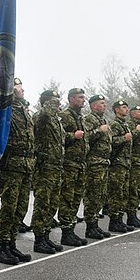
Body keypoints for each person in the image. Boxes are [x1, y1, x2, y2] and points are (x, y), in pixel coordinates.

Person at [0, 78, 35, 265]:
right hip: (11, 166)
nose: (22, 89)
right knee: (8, 208)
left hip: (25, 165)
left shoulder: (22, 110)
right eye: (18, 86)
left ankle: (11, 244)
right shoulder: (5, 109)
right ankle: (2, 248)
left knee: (20, 208)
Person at [30, 89, 65, 254]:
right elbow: (44, 115)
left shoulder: (56, 120)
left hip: (55, 167)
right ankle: (39, 240)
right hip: (44, 168)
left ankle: (46, 236)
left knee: (52, 204)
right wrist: (50, 101)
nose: (58, 104)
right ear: (46, 102)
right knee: (42, 204)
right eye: (55, 101)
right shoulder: (40, 117)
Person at [58, 88, 89, 246]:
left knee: (76, 198)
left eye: (83, 97)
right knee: (67, 198)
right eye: (80, 97)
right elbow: (57, 137)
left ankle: (70, 229)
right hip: (69, 164)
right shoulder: (64, 116)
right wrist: (73, 136)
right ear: (71, 99)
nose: (83, 100)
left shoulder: (80, 117)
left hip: (80, 164)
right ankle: (66, 232)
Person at [82, 94, 111, 240]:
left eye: (105, 103)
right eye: (101, 103)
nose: (104, 105)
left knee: (100, 195)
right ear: (93, 106)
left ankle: (95, 224)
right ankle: (90, 226)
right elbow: (85, 137)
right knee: (92, 195)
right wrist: (99, 131)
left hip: (103, 162)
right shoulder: (89, 119)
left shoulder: (103, 120)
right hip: (93, 163)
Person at [108, 100, 133, 233]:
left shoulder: (125, 125)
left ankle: (119, 220)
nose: (126, 110)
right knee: (116, 193)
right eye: (124, 107)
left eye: (127, 107)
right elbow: (110, 141)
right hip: (117, 164)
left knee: (123, 193)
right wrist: (124, 138)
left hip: (125, 164)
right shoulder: (115, 124)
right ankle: (114, 221)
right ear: (117, 110)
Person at [126, 105, 140, 229]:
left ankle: (133, 215)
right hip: (134, 162)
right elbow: (127, 140)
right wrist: (136, 131)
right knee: (133, 190)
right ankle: (131, 215)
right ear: (133, 114)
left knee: (138, 190)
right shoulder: (130, 125)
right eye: (139, 112)